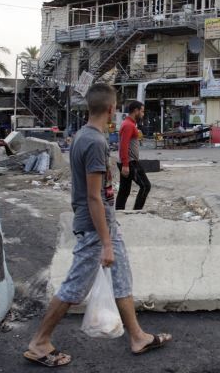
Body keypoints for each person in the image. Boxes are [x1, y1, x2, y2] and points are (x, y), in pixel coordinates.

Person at [24, 84, 171, 367]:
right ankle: (40, 342)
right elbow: (93, 196)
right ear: (112, 109)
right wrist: (105, 242)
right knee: (75, 287)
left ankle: (137, 336)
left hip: (104, 224)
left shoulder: (85, 136)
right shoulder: (94, 142)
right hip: (95, 227)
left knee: (121, 277)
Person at [116, 101, 151, 211]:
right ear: (135, 111)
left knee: (124, 190)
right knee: (146, 186)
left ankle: (119, 211)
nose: (143, 114)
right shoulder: (128, 125)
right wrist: (125, 165)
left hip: (127, 161)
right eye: (142, 111)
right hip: (130, 162)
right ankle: (137, 211)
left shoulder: (129, 124)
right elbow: (123, 146)